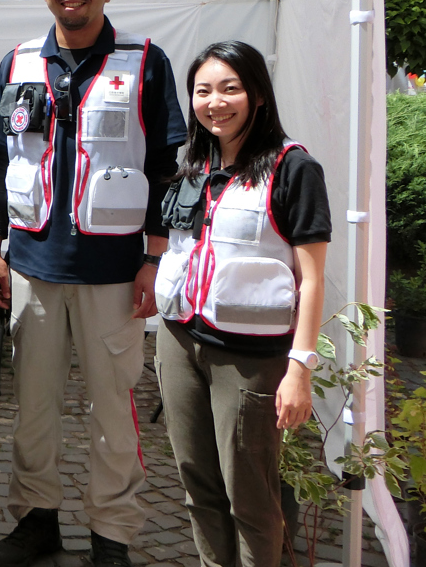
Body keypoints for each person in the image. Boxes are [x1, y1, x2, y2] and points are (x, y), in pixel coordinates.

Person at [0, 0, 188, 567]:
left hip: (114, 274)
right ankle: (37, 519)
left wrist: (154, 258)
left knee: (113, 415)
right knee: (33, 411)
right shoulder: (18, 63)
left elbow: (164, 169)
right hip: (33, 270)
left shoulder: (145, 61)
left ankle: (112, 535)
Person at [153, 40, 331, 567]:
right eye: (203, 90)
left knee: (250, 495)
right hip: (180, 341)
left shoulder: (292, 168)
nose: (216, 102)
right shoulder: (197, 164)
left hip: (250, 359)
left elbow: (313, 280)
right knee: (197, 485)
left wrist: (300, 368)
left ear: (256, 95)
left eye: (230, 88)